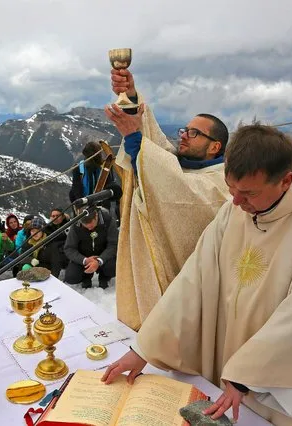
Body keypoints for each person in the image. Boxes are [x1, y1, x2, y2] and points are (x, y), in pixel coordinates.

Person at [102, 124, 292, 425]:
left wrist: (248, 374)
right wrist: (145, 348)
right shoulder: (237, 210)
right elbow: (194, 280)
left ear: (287, 180)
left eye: (248, 194)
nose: (236, 203)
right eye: (232, 190)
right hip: (238, 375)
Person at [105, 68, 230, 329]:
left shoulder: (222, 183)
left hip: (194, 297)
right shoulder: (180, 162)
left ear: (215, 146)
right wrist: (130, 96)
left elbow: (183, 189)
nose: (183, 134)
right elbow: (157, 144)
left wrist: (133, 137)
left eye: (194, 133)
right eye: (186, 129)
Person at [64, 208, 118, 289]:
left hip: (104, 256)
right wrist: (85, 260)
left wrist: (99, 261)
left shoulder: (108, 221)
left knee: (113, 268)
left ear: (96, 216)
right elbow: (69, 248)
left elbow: (113, 244)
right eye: (86, 226)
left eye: (91, 225)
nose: (89, 229)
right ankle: (86, 277)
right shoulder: (75, 225)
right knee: (71, 277)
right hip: (84, 256)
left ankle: (104, 277)